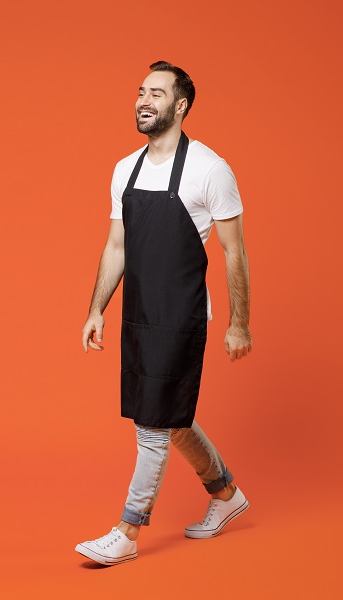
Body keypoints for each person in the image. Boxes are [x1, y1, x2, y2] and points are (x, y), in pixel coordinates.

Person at [75, 61, 253, 566]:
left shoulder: (210, 168)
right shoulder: (124, 168)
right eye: (140, 91)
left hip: (181, 317)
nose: (143, 100)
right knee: (171, 420)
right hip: (138, 314)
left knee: (152, 424)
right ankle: (225, 494)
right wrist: (96, 310)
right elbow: (117, 246)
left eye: (156, 92)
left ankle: (128, 531)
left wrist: (239, 323)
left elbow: (234, 251)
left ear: (181, 106)